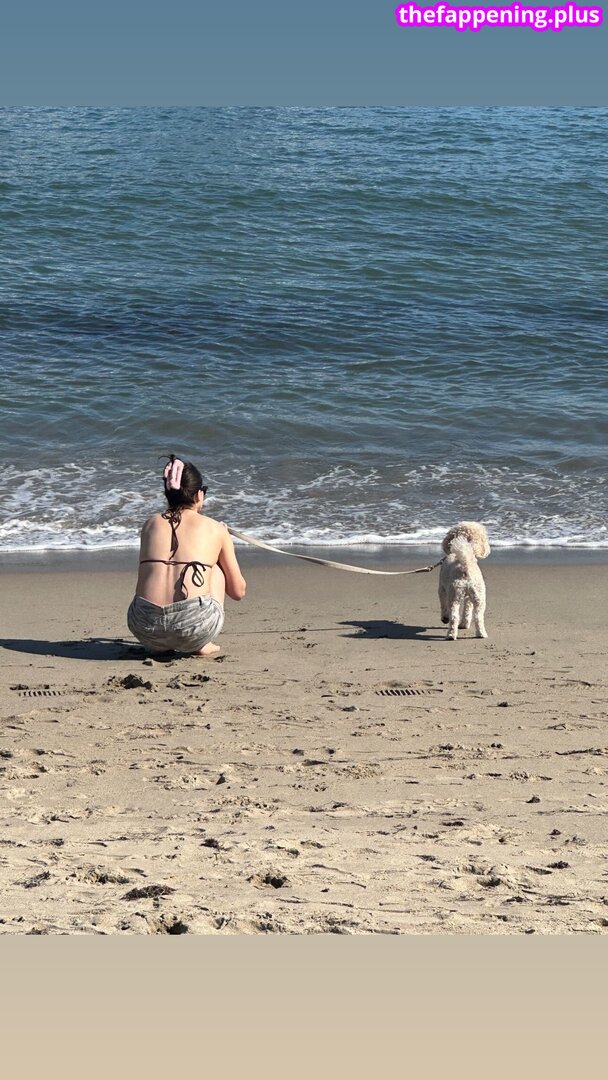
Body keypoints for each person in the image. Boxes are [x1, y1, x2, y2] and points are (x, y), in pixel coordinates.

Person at [127, 455, 246, 657]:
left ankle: (160, 643)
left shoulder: (150, 524)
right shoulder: (215, 528)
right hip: (194, 628)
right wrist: (223, 540)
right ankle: (202, 642)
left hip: (145, 626)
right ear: (199, 494)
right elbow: (238, 592)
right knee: (215, 567)